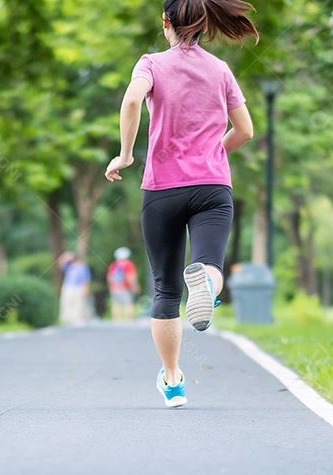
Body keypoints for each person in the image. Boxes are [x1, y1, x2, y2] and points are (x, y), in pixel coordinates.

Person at [104, 0, 257, 408]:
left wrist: (125, 153)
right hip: (211, 187)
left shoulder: (151, 64)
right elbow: (245, 131)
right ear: (206, 25)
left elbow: (132, 101)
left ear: (166, 23)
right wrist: (214, 153)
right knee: (210, 264)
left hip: (162, 191)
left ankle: (173, 381)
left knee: (165, 291)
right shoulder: (220, 70)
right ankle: (206, 283)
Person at [58, 252, 92, 324]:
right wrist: (64, 257)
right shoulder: (69, 266)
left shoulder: (82, 267)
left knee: (79, 303)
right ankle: (66, 318)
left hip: (78, 287)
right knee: (66, 302)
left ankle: (78, 318)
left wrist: (86, 289)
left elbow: (85, 279)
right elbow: (60, 265)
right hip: (68, 286)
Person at [107, 247, 140, 321]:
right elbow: (130, 277)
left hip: (114, 288)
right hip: (125, 288)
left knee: (116, 305)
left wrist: (111, 287)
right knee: (128, 304)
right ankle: (128, 321)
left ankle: (116, 320)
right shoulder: (128, 264)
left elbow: (109, 277)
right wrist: (134, 286)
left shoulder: (113, 265)